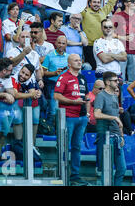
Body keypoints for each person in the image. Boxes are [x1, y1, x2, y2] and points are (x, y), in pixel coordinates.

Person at [54, 54, 90, 186]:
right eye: (76, 60)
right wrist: (73, 102)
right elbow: (56, 95)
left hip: (81, 118)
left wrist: (87, 113)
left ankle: (75, 176)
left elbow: (86, 96)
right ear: (69, 64)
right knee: (64, 146)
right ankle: (61, 174)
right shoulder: (63, 77)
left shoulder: (82, 78)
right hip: (68, 117)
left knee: (77, 147)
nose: (79, 62)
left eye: (80, 60)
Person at [94, 71, 126, 185]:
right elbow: (96, 114)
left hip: (116, 137)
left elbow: (117, 117)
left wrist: (121, 135)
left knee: (122, 168)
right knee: (106, 170)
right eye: (115, 80)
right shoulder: (101, 96)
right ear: (108, 82)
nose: (118, 82)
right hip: (105, 136)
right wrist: (113, 117)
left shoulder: (114, 96)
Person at [81, 0, 119, 70]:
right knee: (93, 68)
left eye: (98, 2)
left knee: (103, 68)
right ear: (90, 3)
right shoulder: (85, 12)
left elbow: (110, 3)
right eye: (94, 2)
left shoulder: (103, 11)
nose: (96, 4)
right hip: (89, 46)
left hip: (102, 45)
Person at [11, 63, 42, 151]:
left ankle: (32, 144)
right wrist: (31, 94)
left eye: (26, 75)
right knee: (18, 117)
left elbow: (33, 94)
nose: (23, 76)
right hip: (11, 103)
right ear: (20, 70)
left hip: (25, 102)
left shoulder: (31, 80)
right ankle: (18, 143)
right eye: (22, 72)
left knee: (35, 117)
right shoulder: (13, 77)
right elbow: (16, 95)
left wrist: (37, 94)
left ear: (30, 76)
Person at [42, 35, 69, 124]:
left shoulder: (69, 57)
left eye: (63, 43)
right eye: (59, 43)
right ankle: (50, 130)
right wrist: (54, 73)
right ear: (55, 43)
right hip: (52, 84)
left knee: (65, 110)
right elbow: (43, 72)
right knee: (53, 110)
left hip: (66, 86)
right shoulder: (49, 56)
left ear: (66, 45)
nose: (61, 45)